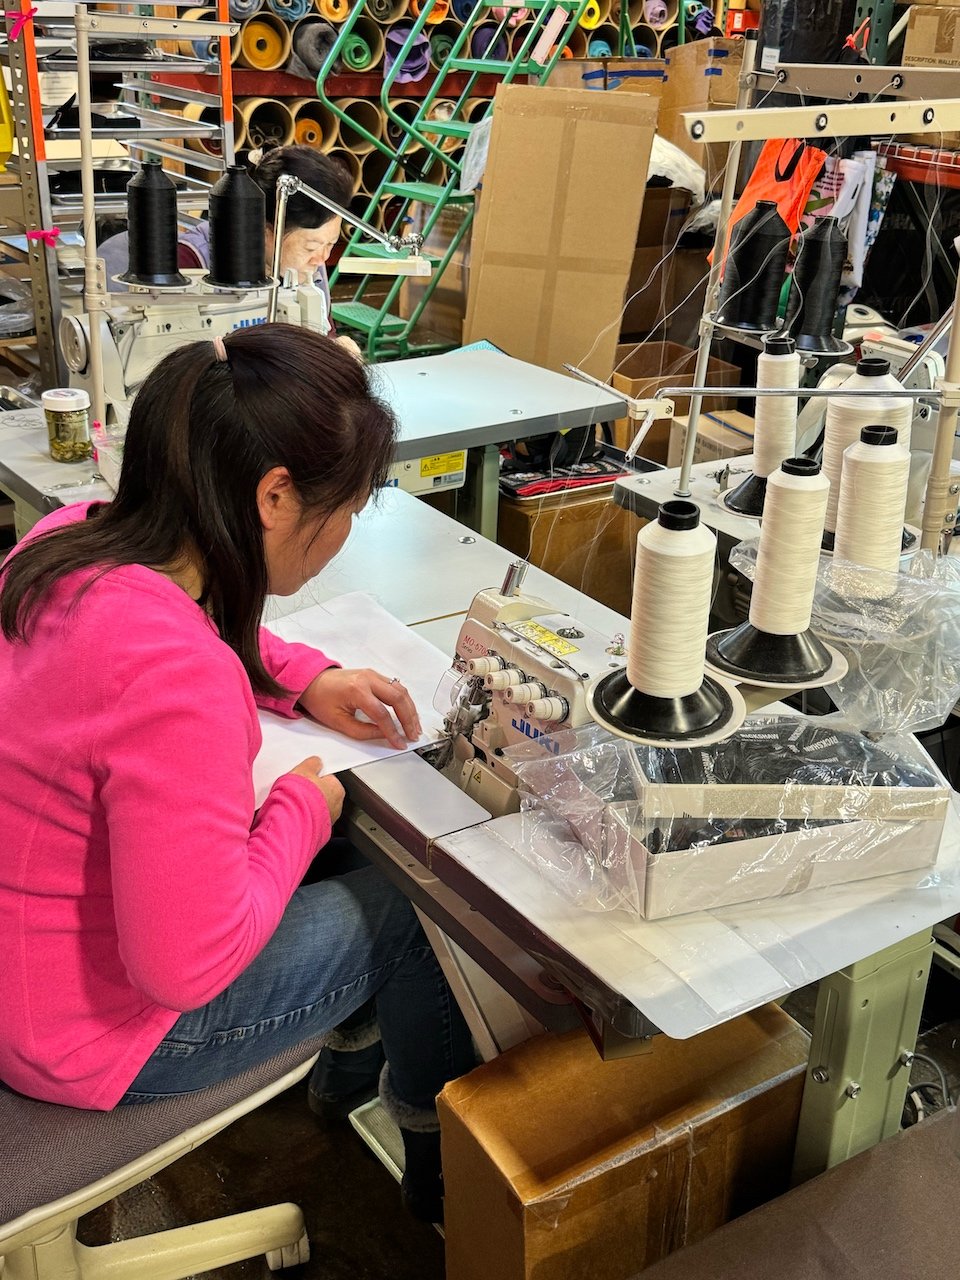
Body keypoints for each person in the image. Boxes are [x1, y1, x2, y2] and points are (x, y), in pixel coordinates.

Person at [0, 323, 475, 1223]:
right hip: (90, 1039)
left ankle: (344, 1067)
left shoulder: (67, 544)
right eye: (347, 507)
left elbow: (196, 625)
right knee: (422, 906)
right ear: (275, 495)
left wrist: (301, 674)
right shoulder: (179, 680)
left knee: (345, 855)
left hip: (18, 969)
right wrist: (302, 803)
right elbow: (189, 967)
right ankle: (440, 1178)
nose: (340, 534)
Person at [99, 144, 353, 329]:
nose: (322, 258)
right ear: (263, 229)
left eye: (331, 244)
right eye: (312, 247)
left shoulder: (309, 269)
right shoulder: (188, 266)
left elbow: (323, 337)